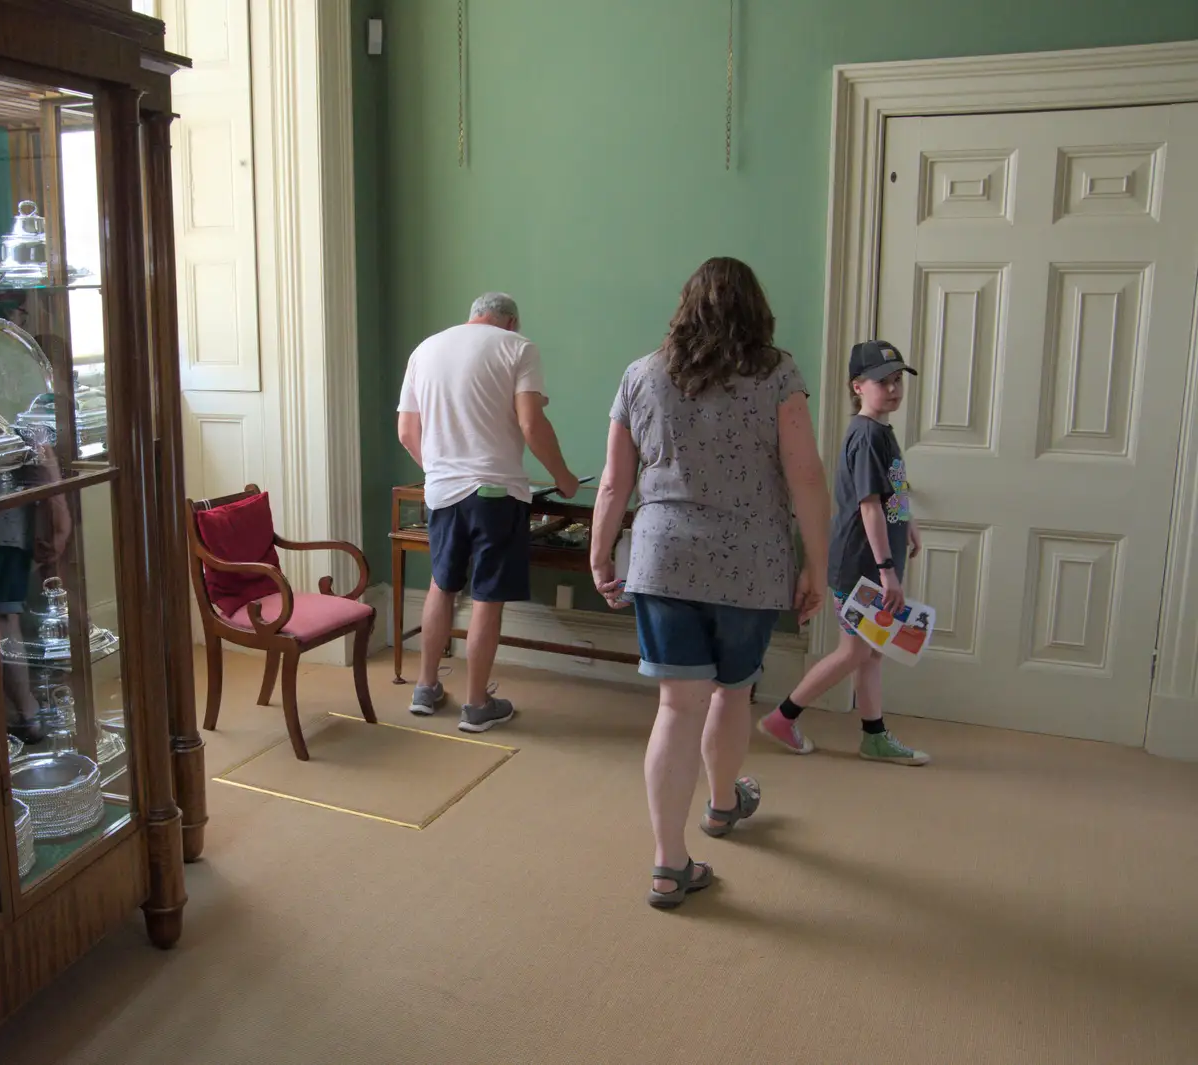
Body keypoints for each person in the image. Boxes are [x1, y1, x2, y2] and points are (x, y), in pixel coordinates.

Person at [588, 258, 831, 910]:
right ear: (757, 310)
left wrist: (599, 552)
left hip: (664, 560)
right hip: (752, 561)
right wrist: (818, 564)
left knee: (676, 705)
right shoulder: (779, 374)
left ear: (684, 307)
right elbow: (806, 475)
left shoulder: (641, 375)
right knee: (733, 690)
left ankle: (669, 863)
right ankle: (723, 807)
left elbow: (613, 481)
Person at [396, 292, 579, 732]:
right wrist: (565, 477)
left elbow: (406, 431)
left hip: (442, 493)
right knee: (486, 597)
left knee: (442, 585)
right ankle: (477, 705)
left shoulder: (426, 349)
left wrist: (441, 470)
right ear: (510, 322)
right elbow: (532, 423)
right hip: (496, 493)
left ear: (473, 316)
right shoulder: (518, 347)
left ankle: (425, 688)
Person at [756, 340, 931, 765]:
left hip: (874, 561)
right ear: (857, 386)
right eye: (881, 382)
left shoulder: (880, 433)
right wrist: (887, 570)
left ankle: (874, 735)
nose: (892, 390)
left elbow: (891, 493)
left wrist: (907, 524)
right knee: (854, 651)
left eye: (896, 381)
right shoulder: (867, 435)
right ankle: (783, 717)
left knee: (871, 650)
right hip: (861, 565)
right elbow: (867, 505)